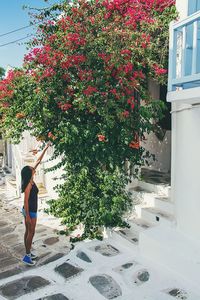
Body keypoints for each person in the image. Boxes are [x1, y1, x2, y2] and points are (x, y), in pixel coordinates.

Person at [21, 142, 50, 266]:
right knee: (31, 232)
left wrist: (46, 147)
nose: (34, 169)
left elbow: (38, 160)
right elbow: (25, 202)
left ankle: (28, 252)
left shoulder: (31, 179)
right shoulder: (28, 185)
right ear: (29, 173)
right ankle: (27, 256)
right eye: (32, 169)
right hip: (29, 210)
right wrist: (28, 215)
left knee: (28, 231)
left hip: (31, 210)